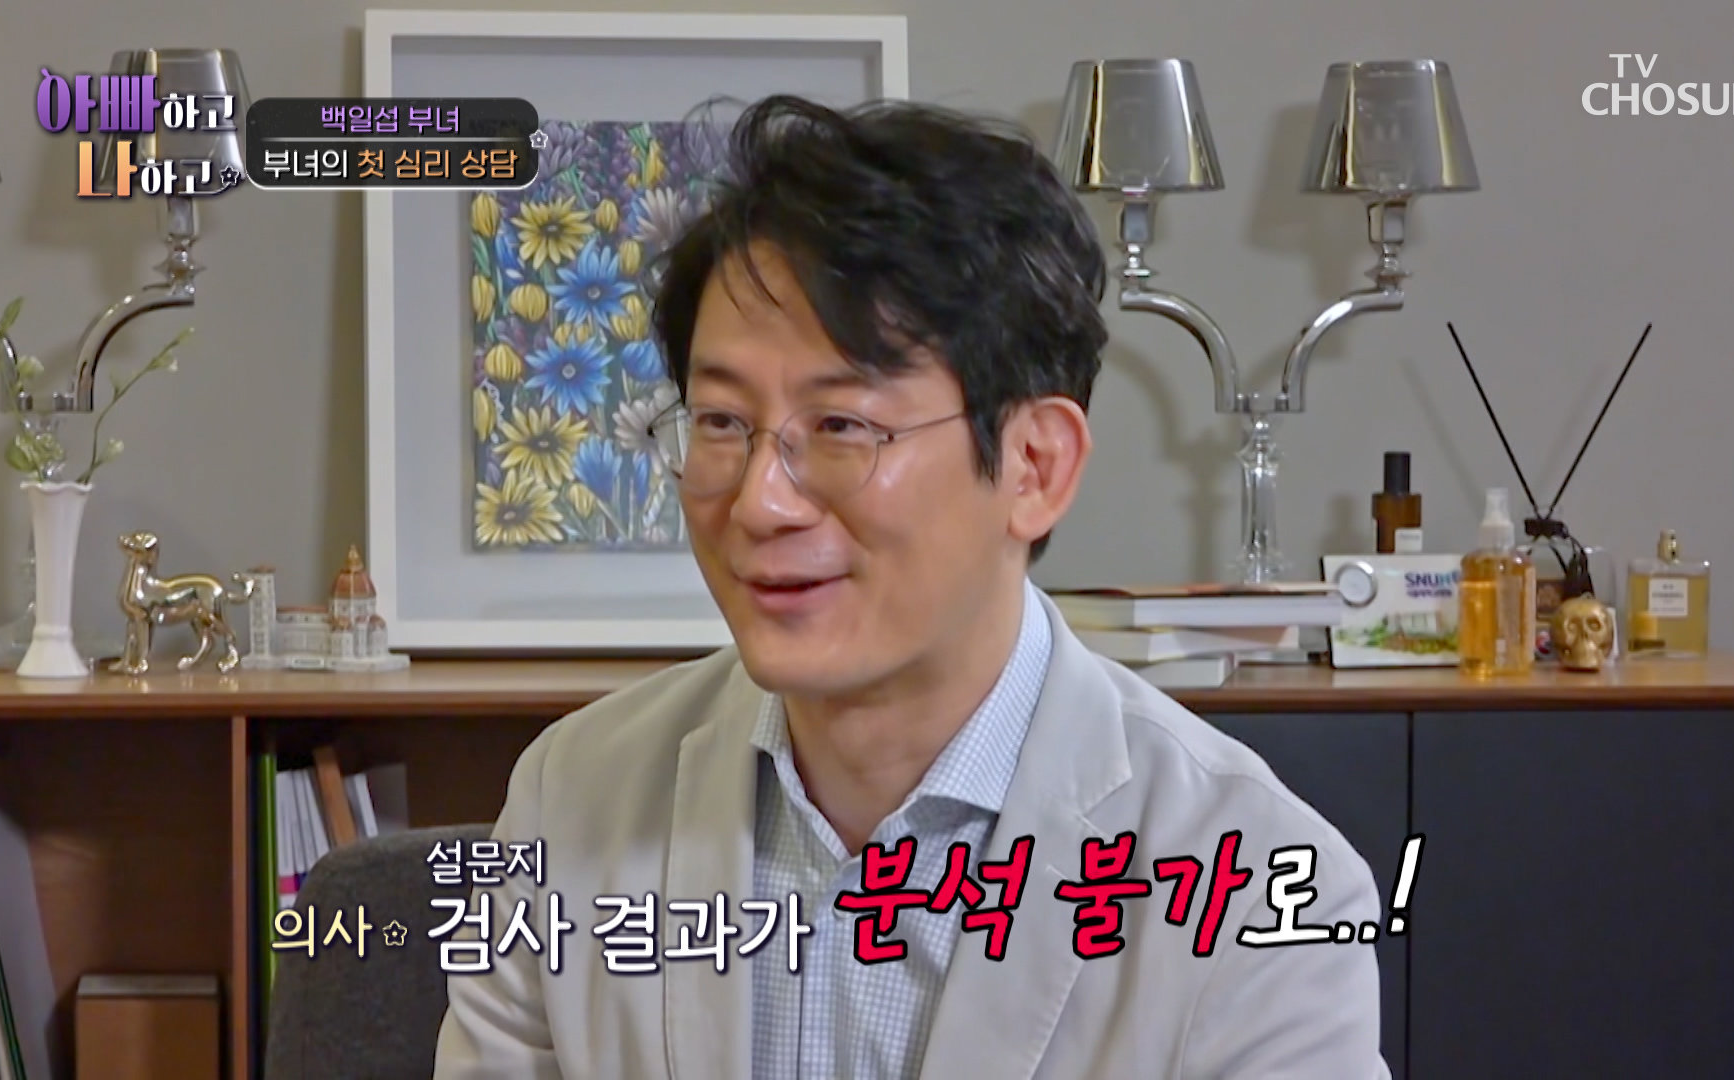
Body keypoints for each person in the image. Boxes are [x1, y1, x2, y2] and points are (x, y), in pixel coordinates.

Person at [434, 93, 1388, 1079]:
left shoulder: (1262, 889)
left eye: (842, 427)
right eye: (720, 422)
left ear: (1035, 466)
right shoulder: (572, 800)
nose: (761, 502)